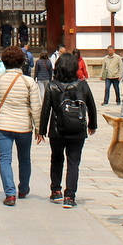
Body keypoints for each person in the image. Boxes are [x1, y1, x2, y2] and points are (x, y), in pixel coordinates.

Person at [37, 52, 96, 209]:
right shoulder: (82, 85)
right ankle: (70, 196)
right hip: (78, 129)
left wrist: (41, 130)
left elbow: (46, 110)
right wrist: (92, 125)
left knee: (56, 159)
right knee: (73, 162)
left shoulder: (52, 86)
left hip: (57, 129)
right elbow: (91, 107)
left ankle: (56, 190)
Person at [0, 45, 41, 206]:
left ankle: (10, 193)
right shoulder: (29, 82)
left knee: (5, 160)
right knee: (24, 158)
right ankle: (24, 188)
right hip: (23, 125)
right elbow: (36, 107)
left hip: (3, 124)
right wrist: (39, 129)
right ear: (21, 62)